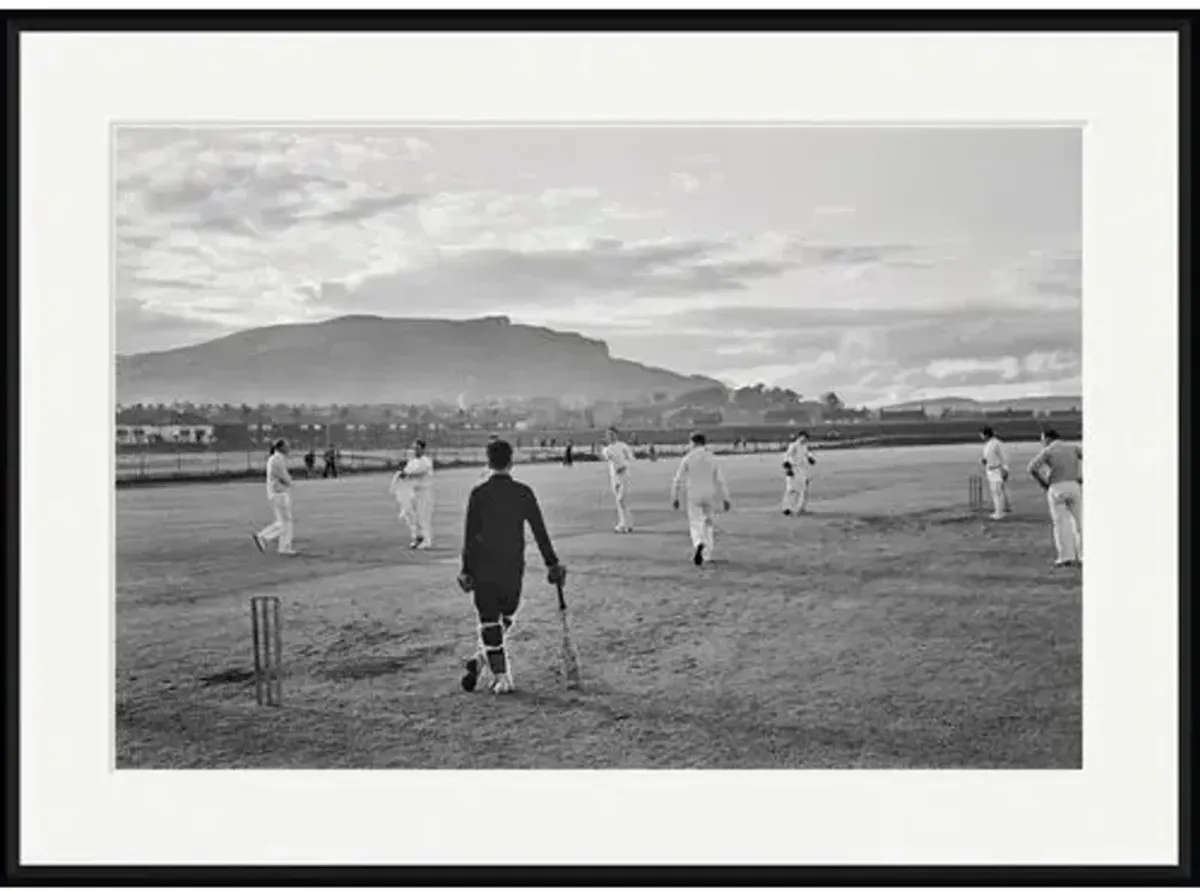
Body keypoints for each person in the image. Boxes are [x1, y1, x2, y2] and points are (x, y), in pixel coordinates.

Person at [457, 439, 567, 695]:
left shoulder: (479, 494)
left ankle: (485, 660)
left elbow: (469, 536)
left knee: (491, 620)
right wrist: (552, 563)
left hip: (484, 566)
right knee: (504, 616)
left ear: (488, 461)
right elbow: (540, 531)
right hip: (512, 566)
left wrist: (465, 569)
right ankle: (499, 672)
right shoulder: (523, 492)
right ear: (511, 461)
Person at [671, 432, 731, 566]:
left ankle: (699, 542)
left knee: (696, 522)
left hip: (693, 494)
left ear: (694, 443)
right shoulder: (712, 458)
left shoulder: (688, 458)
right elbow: (720, 480)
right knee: (708, 523)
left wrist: (675, 497)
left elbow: (678, 479)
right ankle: (707, 554)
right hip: (709, 494)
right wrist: (726, 498)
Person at [1027, 428, 1083, 568]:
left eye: (1042, 440)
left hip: (1057, 487)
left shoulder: (1048, 450)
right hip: (1074, 486)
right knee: (1080, 522)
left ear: (1047, 438)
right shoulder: (1073, 447)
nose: (1042, 443)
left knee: (1061, 523)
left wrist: (1043, 483)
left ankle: (1065, 557)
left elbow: (1032, 468)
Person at [252, 439, 297, 556]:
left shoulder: (274, 459)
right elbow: (286, 479)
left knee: (283, 522)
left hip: (274, 493)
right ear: (281, 448)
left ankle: (284, 546)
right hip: (279, 493)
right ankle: (263, 537)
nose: (289, 448)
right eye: (287, 446)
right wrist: (290, 481)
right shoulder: (277, 460)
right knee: (285, 523)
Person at [390, 439, 436, 549]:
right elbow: (407, 474)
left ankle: (426, 540)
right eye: (414, 448)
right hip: (412, 492)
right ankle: (417, 537)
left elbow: (418, 472)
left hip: (423, 493)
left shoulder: (426, 461)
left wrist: (405, 474)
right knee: (411, 516)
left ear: (422, 449)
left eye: (417, 448)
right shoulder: (412, 461)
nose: (415, 450)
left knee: (423, 517)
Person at [601, 426, 636, 533]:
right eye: (609, 435)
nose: (611, 436)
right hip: (614, 478)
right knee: (620, 502)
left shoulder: (622, 446)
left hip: (624, 476)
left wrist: (624, 466)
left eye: (612, 434)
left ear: (617, 435)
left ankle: (623, 524)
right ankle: (627, 524)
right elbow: (608, 458)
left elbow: (631, 458)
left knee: (621, 499)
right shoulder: (607, 449)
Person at [979, 425, 1012, 520]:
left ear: (986, 434)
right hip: (990, 470)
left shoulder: (997, 443)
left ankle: (999, 512)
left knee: (998, 491)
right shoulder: (987, 444)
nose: (981, 437)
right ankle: (1000, 510)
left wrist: (1005, 469)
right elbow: (989, 457)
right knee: (995, 491)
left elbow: (1004, 457)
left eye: (981, 434)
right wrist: (985, 461)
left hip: (998, 469)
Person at [781, 430, 817, 516]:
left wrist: (810, 458)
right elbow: (787, 456)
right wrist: (788, 468)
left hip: (801, 470)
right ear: (800, 436)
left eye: (806, 438)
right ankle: (787, 508)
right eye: (804, 437)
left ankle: (801, 508)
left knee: (803, 489)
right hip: (793, 468)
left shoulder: (804, 446)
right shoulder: (793, 446)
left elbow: (807, 454)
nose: (805, 439)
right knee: (791, 489)